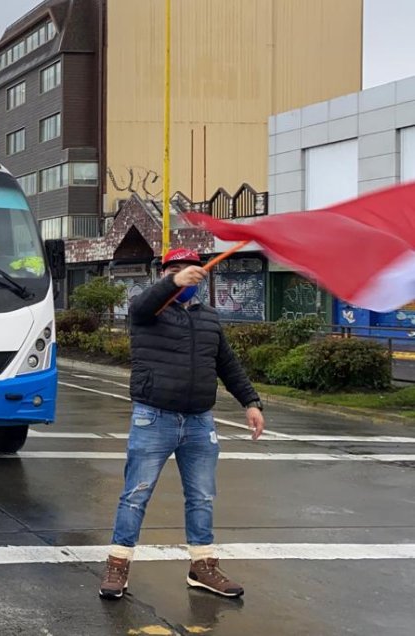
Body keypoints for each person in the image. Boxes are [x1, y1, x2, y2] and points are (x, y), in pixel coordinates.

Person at [99, 247, 266, 600]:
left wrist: (250, 403)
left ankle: (202, 567)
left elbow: (228, 364)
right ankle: (117, 565)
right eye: (174, 269)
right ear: (163, 274)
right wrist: (174, 282)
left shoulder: (208, 317)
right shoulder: (150, 310)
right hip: (153, 417)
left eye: (190, 268)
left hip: (199, 420)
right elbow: (140, 306)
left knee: (202, 496)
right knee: (135, 495)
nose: (184, 274)